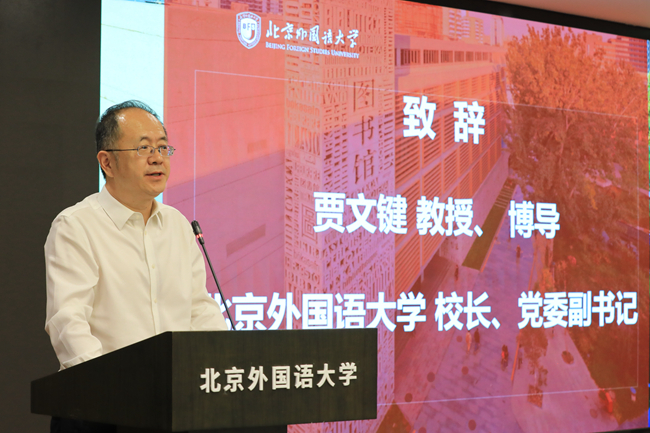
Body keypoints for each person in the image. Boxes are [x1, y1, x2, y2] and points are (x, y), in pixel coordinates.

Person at [45, 101, 227, 433]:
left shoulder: (177, 224)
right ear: (107, 162)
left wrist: (221, 368)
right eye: (143, 148)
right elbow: (67, 322)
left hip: (174, 406)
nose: (157, 158)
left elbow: (199, 310)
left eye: (162, 147)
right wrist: (113, 390)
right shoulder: (76, 226)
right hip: (100, 410)